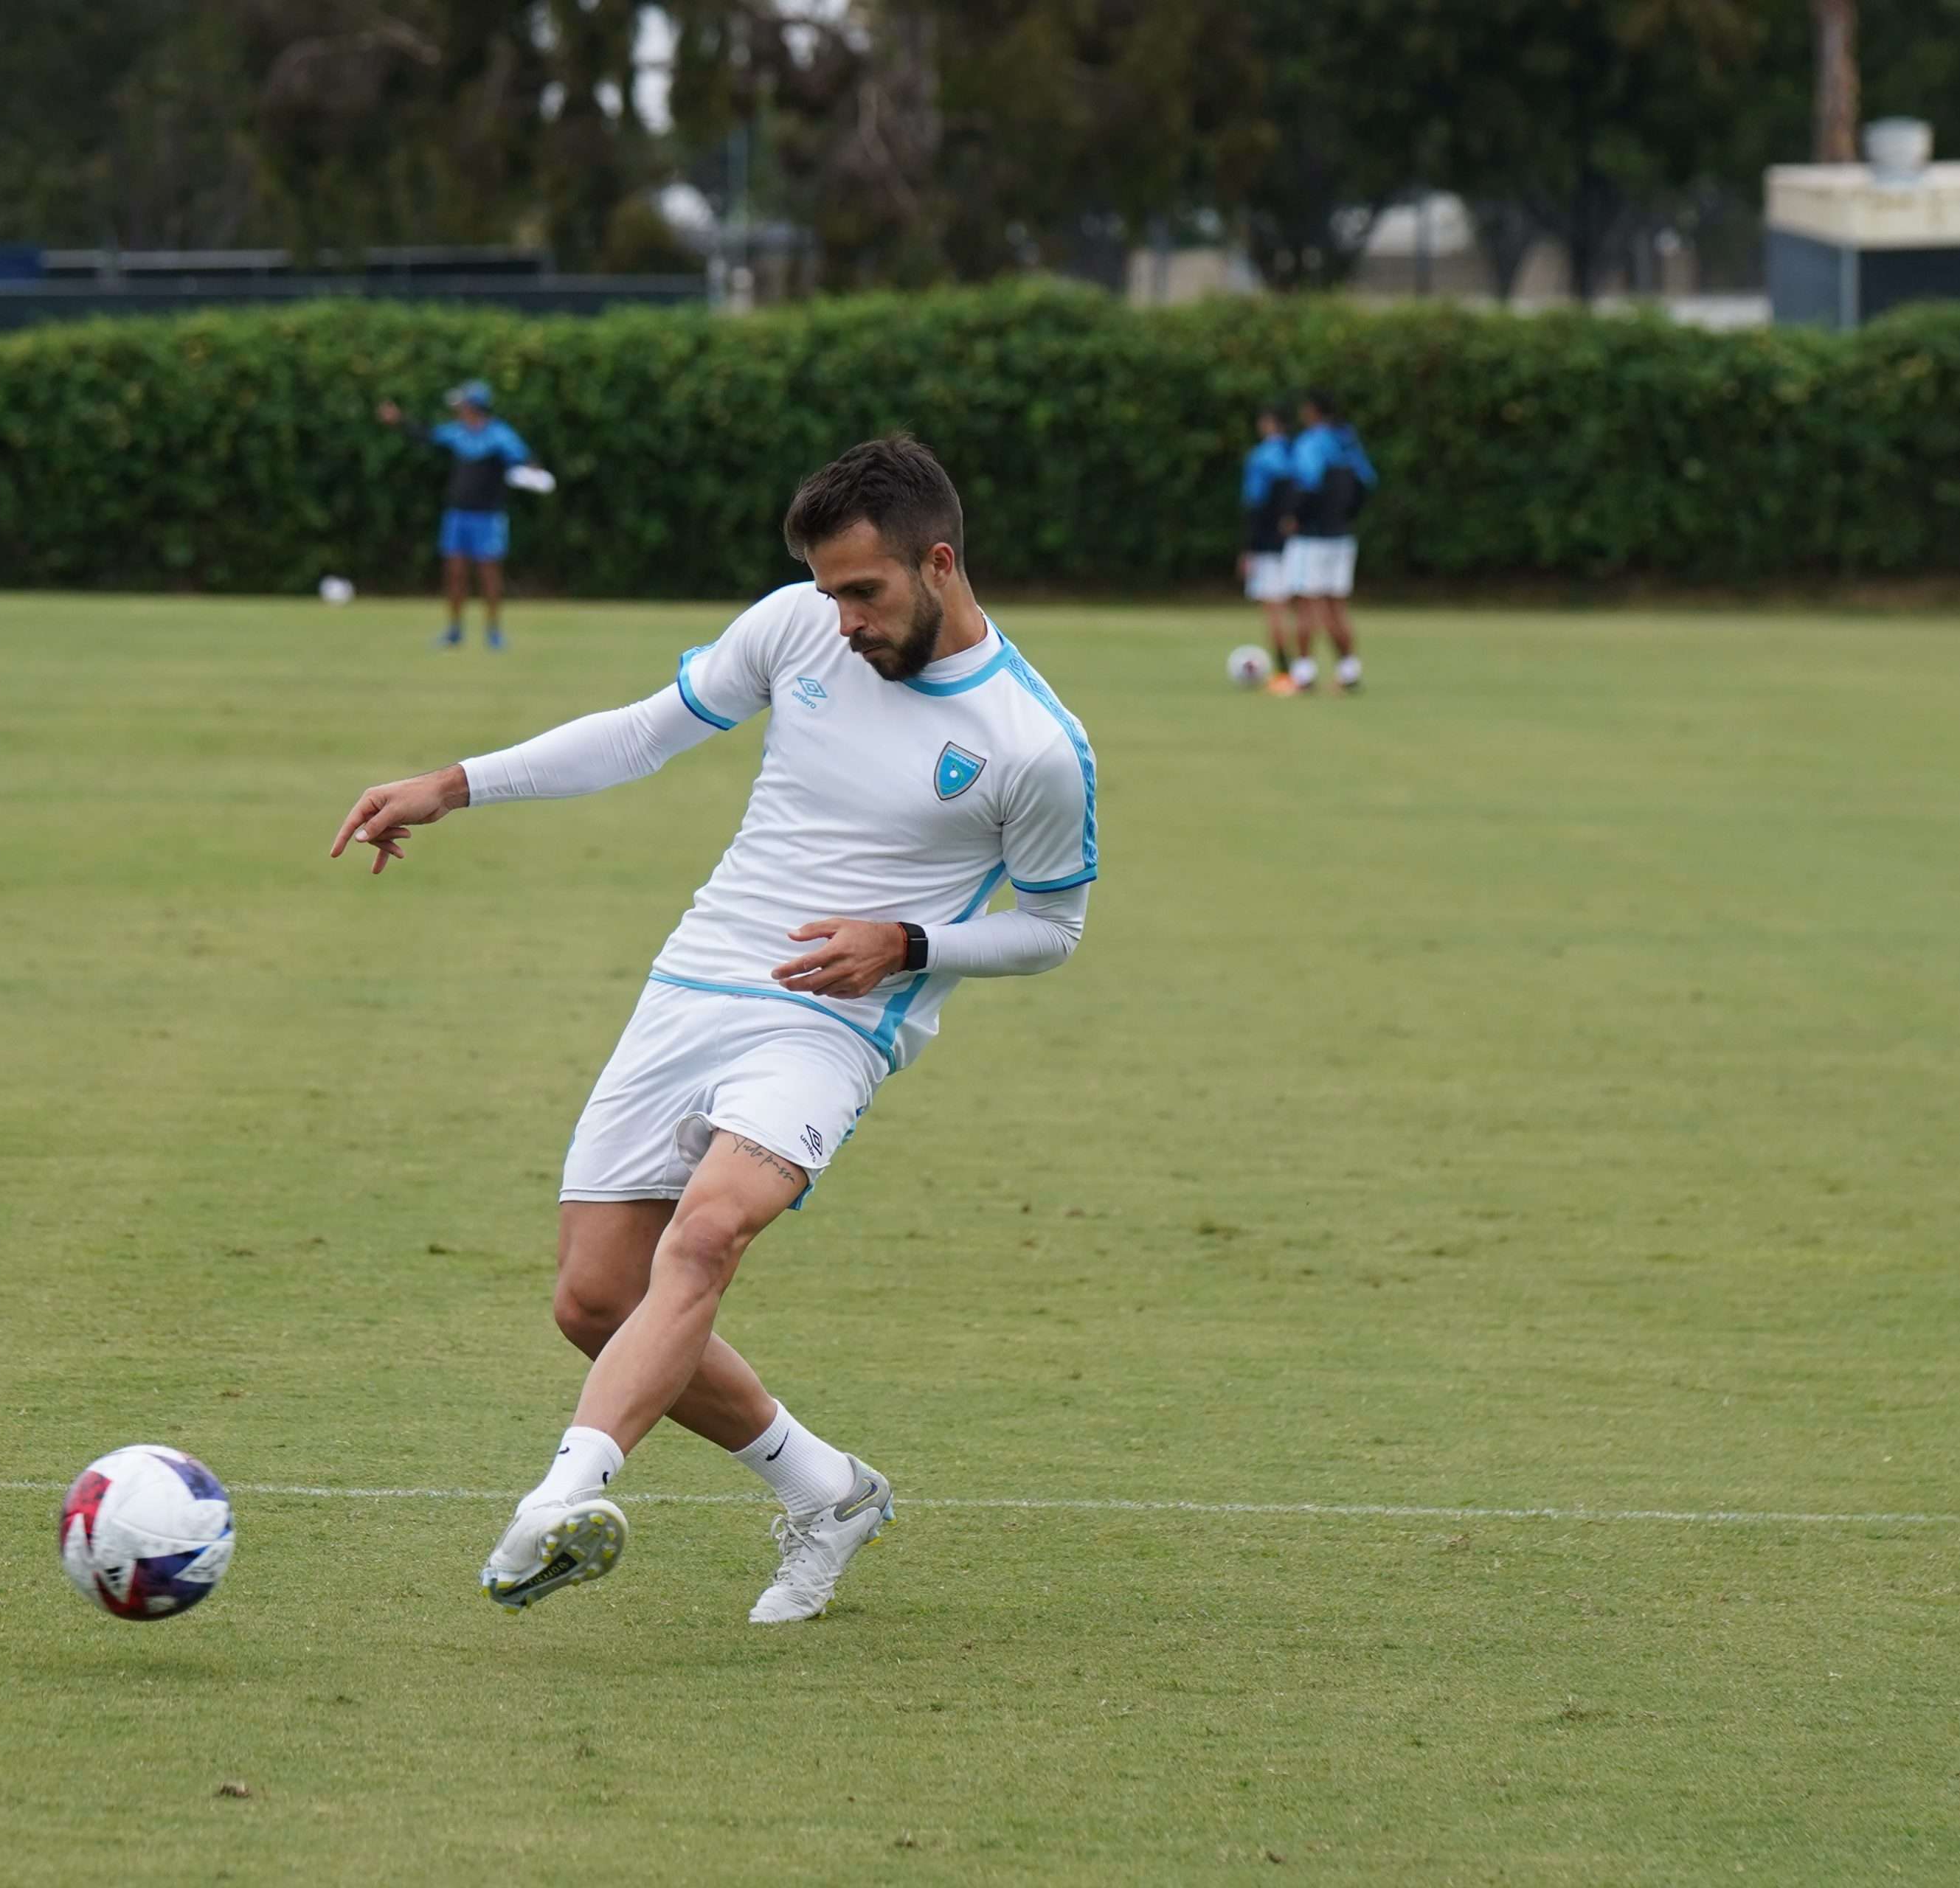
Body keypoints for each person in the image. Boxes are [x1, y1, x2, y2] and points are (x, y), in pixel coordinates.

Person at [328, 436, 1097, 1623]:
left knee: (706, 1237)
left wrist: (909, 944)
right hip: (696, 983)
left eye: (864, 592)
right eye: (828, 588)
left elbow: (1054, 928)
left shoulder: (1034, 746)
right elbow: (644, 733)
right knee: (592, 1302)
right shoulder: (794, 627)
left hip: (834, 1026)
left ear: (939, 565)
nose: (839, 619)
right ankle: (829, 1491)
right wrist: (453, 783)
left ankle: (562, 1497)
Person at [375, 379, 530, 650]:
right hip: (457, 516)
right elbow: (426, 434)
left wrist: (534, 474)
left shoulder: (499, 435)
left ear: (475, 406)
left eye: (463, 404)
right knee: (455, 573)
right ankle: (454, 631)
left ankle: (493, 632)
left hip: (488, 517)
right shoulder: (458, 433)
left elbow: (524, 460)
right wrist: (400, 420)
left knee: (489, 574)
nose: (458, 409)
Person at [1283, 390, 1377, 694]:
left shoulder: (1311, 442)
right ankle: (1349, 671)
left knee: (1307, 605)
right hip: (1342, 536)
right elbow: (1367, 483)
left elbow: (1307, 485)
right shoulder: (1347, 442)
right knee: (1337, 606)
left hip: (1312, 538)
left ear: (1312, 411)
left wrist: (1294, 517)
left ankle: (1303, 674)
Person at [1239, 403, 1299, 695]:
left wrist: (1249, 547)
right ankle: (1303, 668)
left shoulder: (1262, 457)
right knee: (1298, 605)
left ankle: (1285, 671)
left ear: (1268, 424)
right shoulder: (1299, 452)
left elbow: (1256, 503)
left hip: (1269, 543)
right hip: (1301, 542)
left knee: (1273, 606)